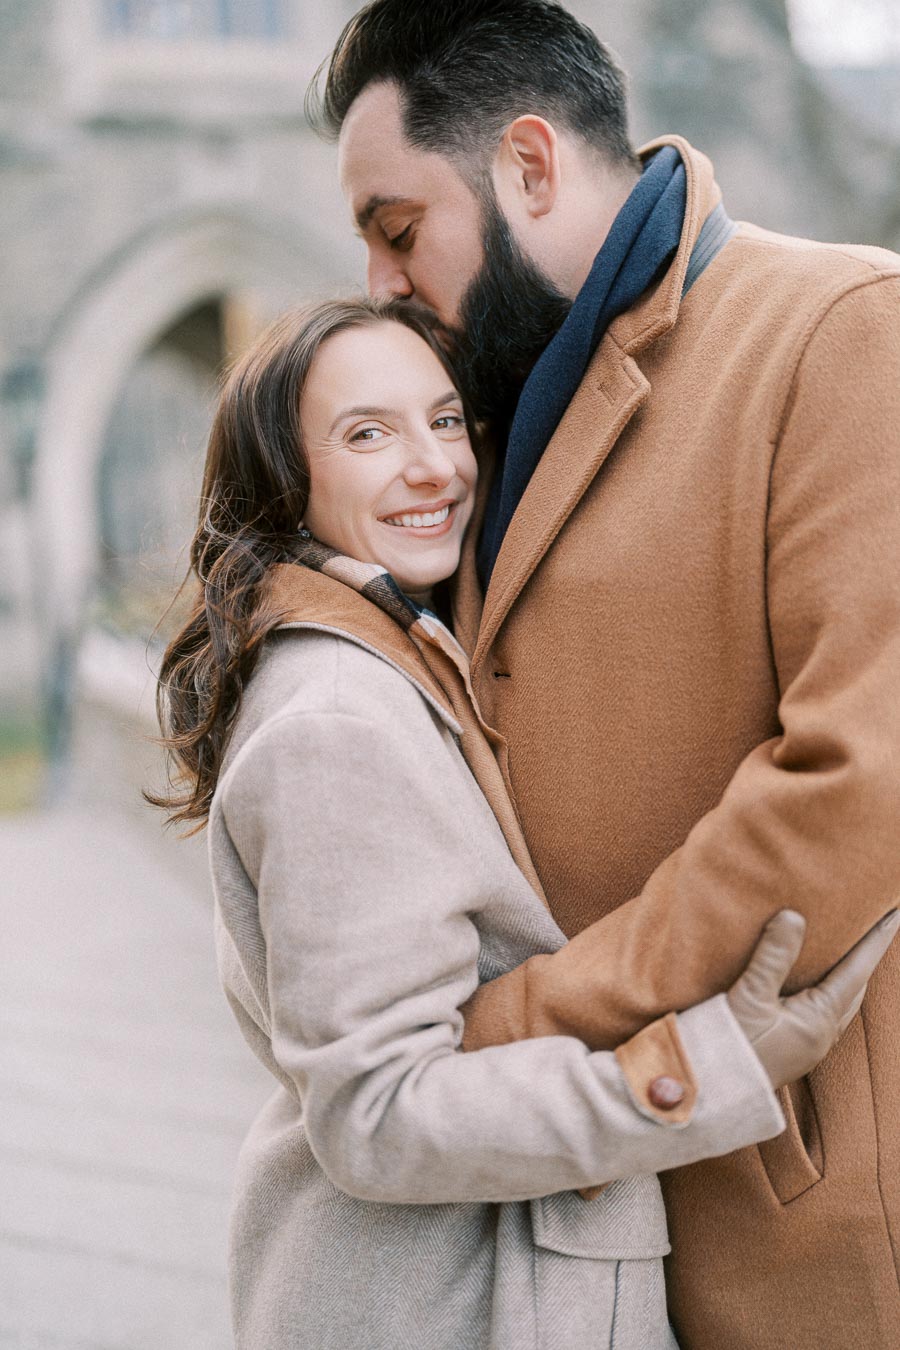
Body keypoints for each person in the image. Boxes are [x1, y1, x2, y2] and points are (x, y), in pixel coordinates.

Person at [312, 3, 900, 1347]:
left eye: (399, 230)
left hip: (791, 1220)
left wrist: (518, 1022)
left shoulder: (844, 328)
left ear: (529, 164)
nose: (380, 280)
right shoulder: (489, 400)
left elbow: (856, 780)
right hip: (571, 1217)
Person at [150, 298, 893, 1350]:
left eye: (446, 421)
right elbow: (377, 1118)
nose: (434, 467)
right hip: (441, 1303)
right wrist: (713, 1064)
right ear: (287, 480)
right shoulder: (334, 719)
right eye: (368, 435)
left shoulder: (395, 656)